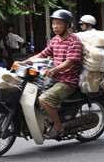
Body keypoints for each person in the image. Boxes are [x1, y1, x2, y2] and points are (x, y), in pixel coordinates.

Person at [20, 9, 82, 139]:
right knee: (31, 92)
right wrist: (26, 62)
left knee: (44, 99)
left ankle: (59, 128)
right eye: (53, 23)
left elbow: (70, 62)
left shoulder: (73, 41)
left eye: (59, 23)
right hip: (54, 78)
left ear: (67, 25)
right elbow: (43, 54)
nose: (55, 26)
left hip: (67, 81)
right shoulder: (55, 40)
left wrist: (53, 70)